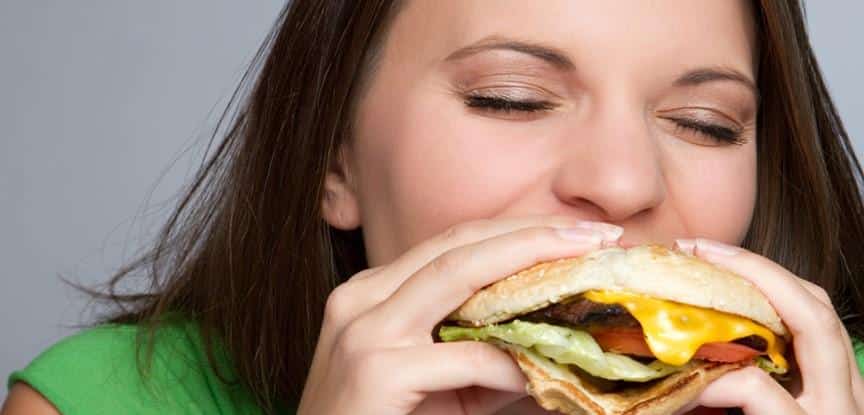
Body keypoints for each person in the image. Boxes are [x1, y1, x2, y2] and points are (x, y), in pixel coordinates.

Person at [3, 1, 864, 414]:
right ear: (332, 160)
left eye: (704, 124)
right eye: (510, 99)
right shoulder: (111, 402)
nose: (625, 181)